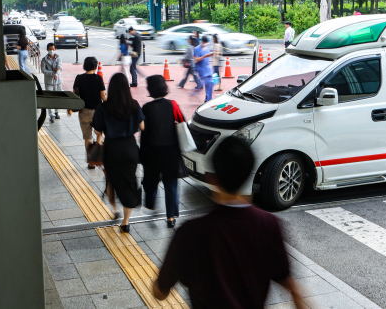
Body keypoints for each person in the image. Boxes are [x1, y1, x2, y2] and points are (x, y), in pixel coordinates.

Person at [152, 136, 306, 309]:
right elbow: (292, 286)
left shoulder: (190, 233)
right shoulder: (268, 225)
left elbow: (160, 292)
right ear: (248, 174)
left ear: (212, 178)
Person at [92, 73, 145, 232]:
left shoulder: (103, 107)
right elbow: (142, 127)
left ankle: (114, 208)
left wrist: (101, 134)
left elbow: (97, 130)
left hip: (112, 149)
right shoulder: (134, 104)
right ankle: (126, 221)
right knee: (129, 181)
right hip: (129, 148)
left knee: (111, 180)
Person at [141, 75, 182, 228]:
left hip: (152, 151)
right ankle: (170, 217)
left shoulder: (147, 108)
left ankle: (150, 203)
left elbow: (143, 134)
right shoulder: (173, 105)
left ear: (150, 90)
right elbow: (182, 123)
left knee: (151, 180)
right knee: (171, 183)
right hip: (171, 151)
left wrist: (142, 154)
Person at [73, 57, 107, 167]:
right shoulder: (98, 78)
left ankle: (91, 162)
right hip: (97, 112)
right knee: (99, 134)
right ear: (95, 66)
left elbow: (74, 94)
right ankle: (98, 157)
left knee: (88, 137)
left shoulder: (79, 78)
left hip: (83, 111)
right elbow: (103, 95)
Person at [40, 43, 63, 123]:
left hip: (58, 81)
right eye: (50, 49)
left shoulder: (58, 58)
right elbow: (43, 71)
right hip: (49, 81)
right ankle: (51, 115)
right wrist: (53, 73)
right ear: (47, 50)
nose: (51, 51)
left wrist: (57, 73)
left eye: (53, 49)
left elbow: (60, 67)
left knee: (58, 97)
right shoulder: (44, 60)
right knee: (49, 97)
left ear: (55, 49)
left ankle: (56, 112)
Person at [193, 36, 213, 103]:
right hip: (201, 69)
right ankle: (207, 100)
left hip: (208, 69)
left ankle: (208, 99)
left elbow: (208, 59)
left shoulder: (207, 48)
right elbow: (196, 60)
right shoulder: (197, 49)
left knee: (210, 84)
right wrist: (205, 56)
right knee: (206, 83)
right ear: (203, 42)